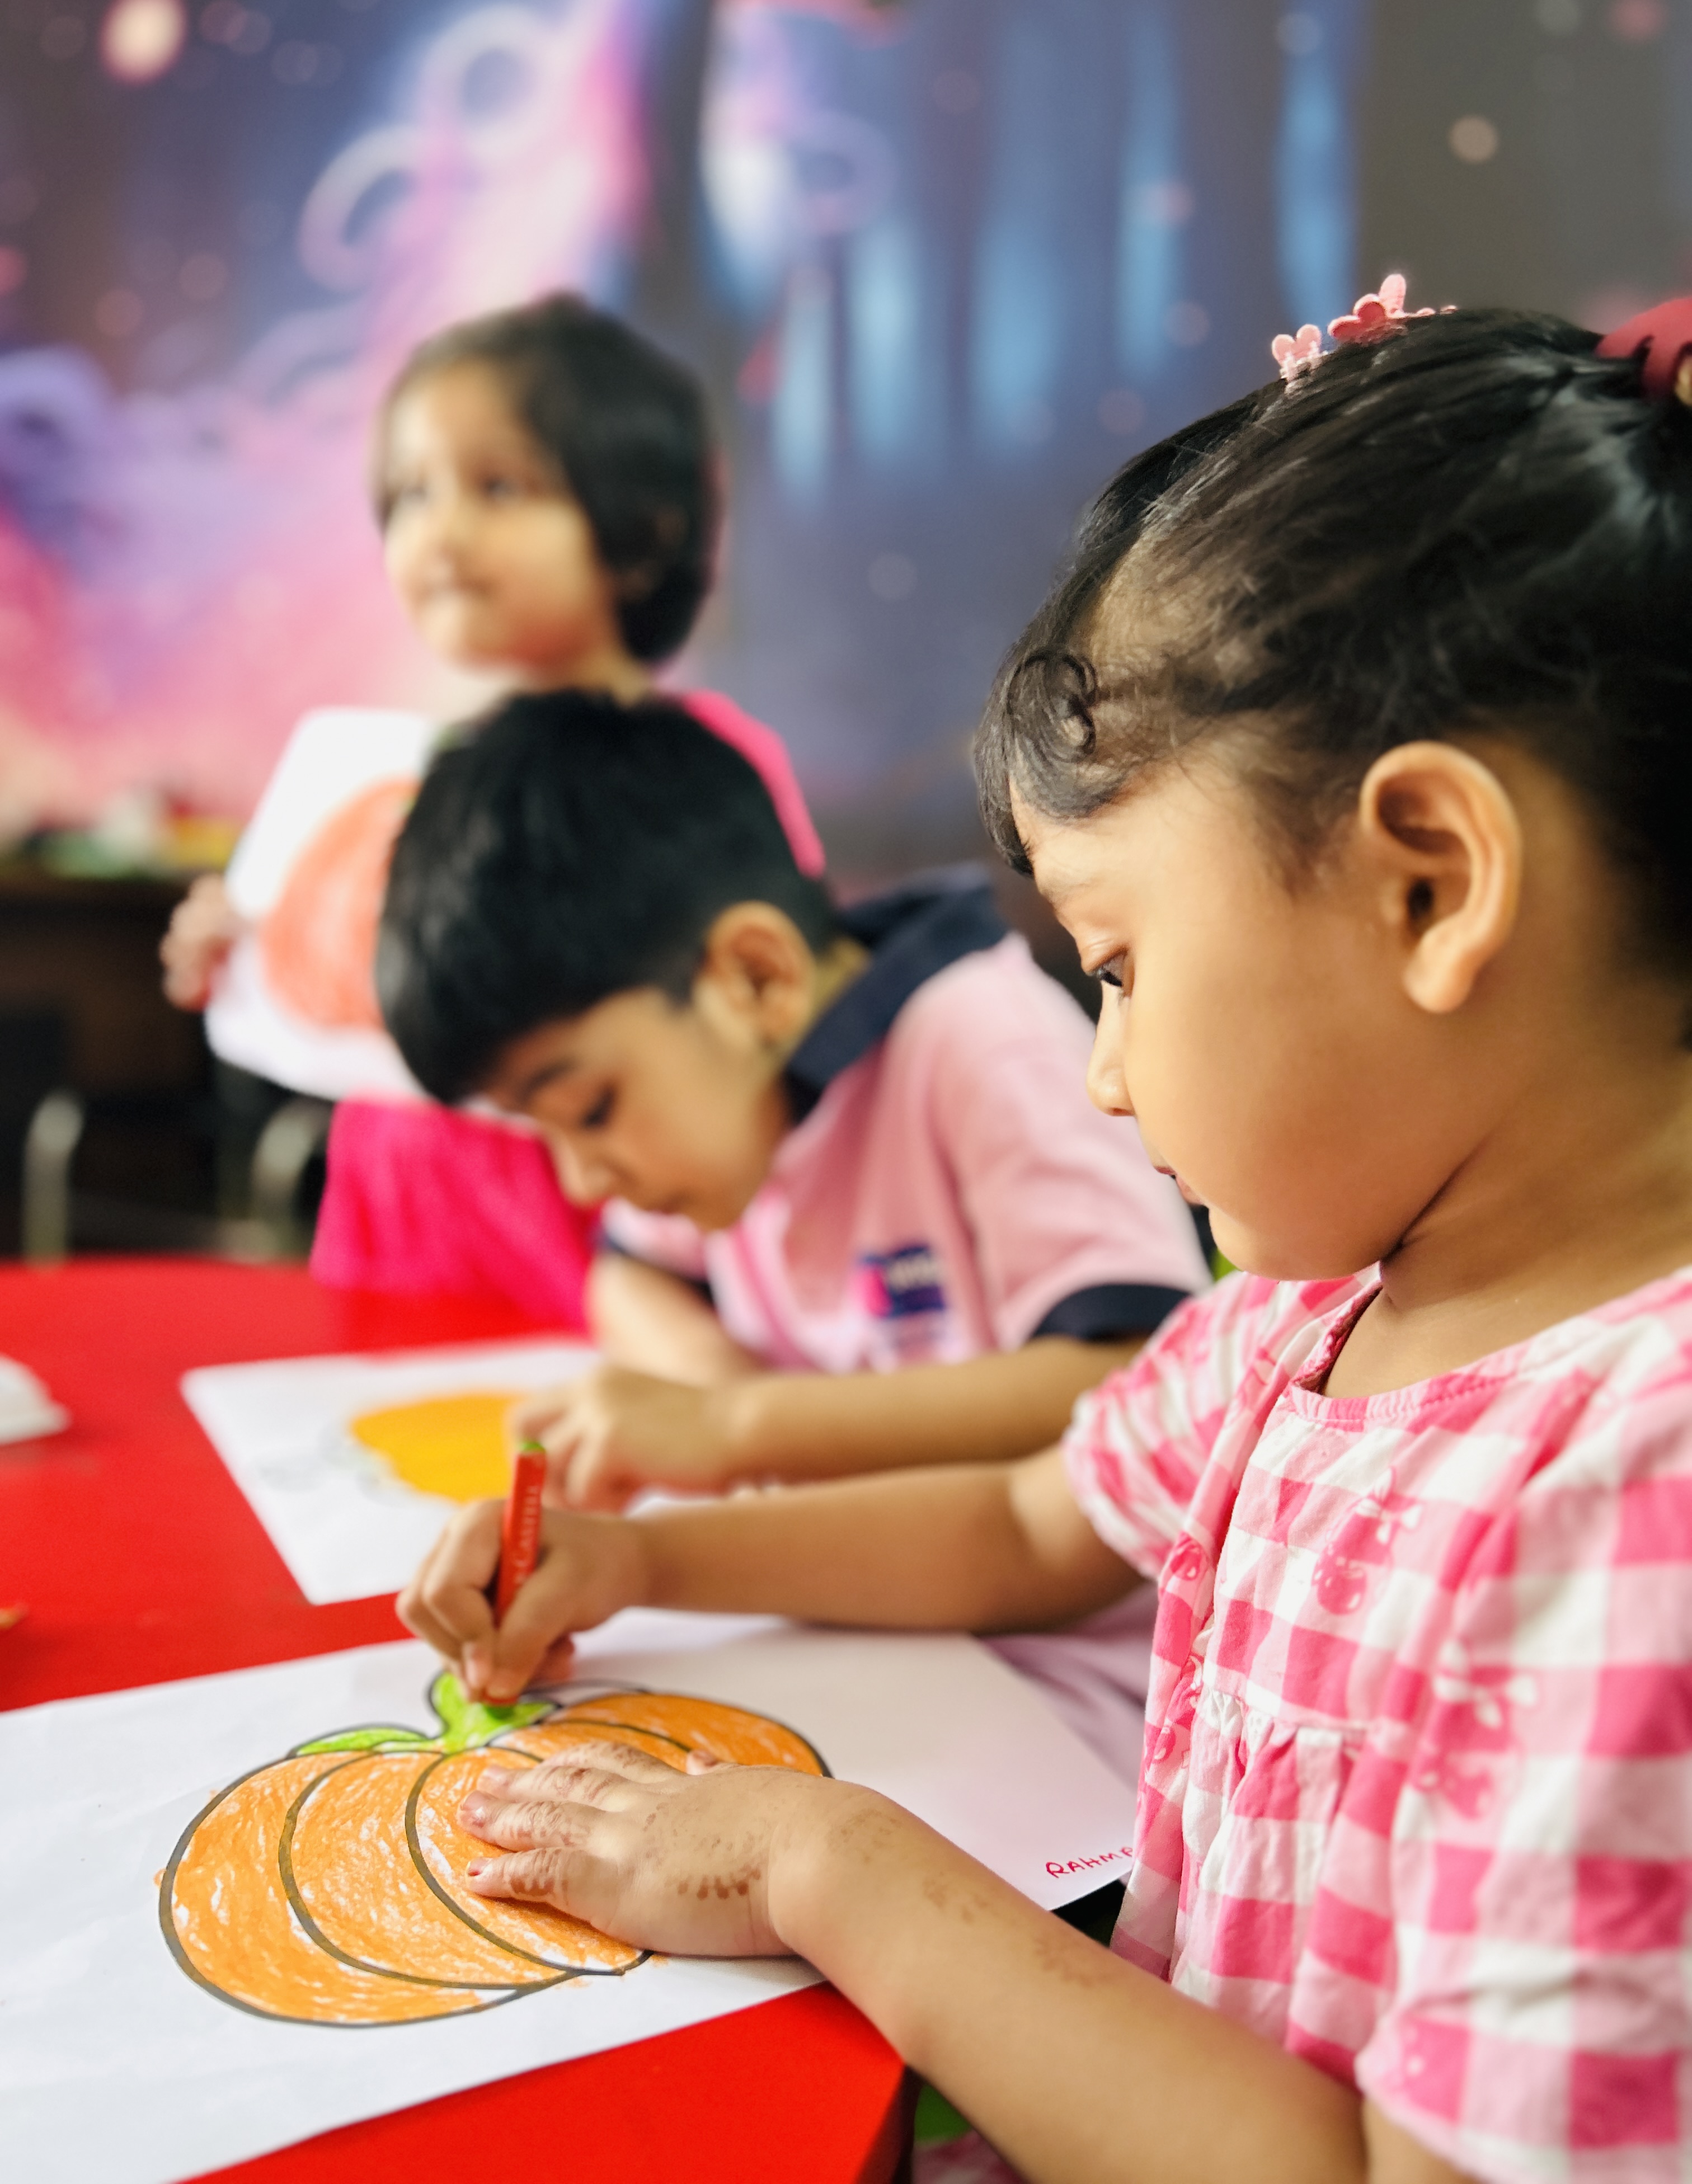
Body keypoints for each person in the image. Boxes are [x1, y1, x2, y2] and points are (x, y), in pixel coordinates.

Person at [398, 288, 1692, 2183]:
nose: (1101, 1076)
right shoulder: (1308, 1321)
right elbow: (1029, 1527)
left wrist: (821, 1856)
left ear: (1428, 881)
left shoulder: (1634, 1494)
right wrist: (636, 1555)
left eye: (1117, 967)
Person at [377, 687, 1209, 1774]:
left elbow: (1120, 1379)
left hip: (1071, 1703)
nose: (584, 1178)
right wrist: (708, 1382)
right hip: (854, 1621)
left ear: (754, 976)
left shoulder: (981, 1045)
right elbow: (627, 1281)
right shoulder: (733, 1095)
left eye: (588, 1111)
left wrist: (737, 1427)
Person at [158, 295, 821, 1324]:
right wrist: (254, 947)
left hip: (620, 1237)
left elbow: (777, 1006)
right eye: (410, 495)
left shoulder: (707, 770)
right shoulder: (399, 779)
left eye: (499, 486)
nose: (441, 533)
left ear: (641, 534)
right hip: (401, 1224)